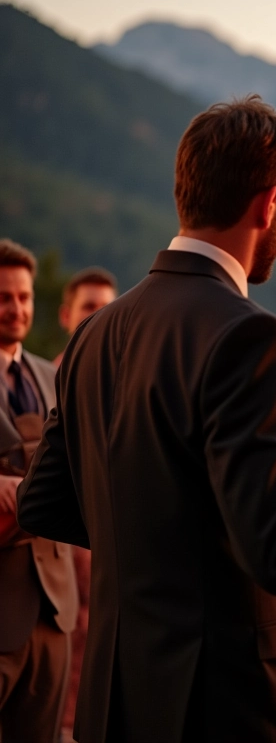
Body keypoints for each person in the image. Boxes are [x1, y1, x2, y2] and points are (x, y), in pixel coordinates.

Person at [16, 95, 276, 743]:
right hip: (222, 706)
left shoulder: (95, 333)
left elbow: (47, 503)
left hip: (113, 696)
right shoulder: (250, 337)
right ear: (268, 204)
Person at [0, 239, 78, 743]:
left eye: (25, 297)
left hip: (56, 606)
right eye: (4, 297)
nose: (17, 308)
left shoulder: (54, 374)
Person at [54, 266, 117, 737]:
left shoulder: (132, 388)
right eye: (88, 309)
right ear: (65, 316)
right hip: (57, 579)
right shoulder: (48, 383)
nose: (99, 319)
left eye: (107, 309)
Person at [54, 266, 117, 367]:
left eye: (107, 308)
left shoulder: (131, 374)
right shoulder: (45, 380)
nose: (99, 314)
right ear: (66, 316)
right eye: (89, 307)